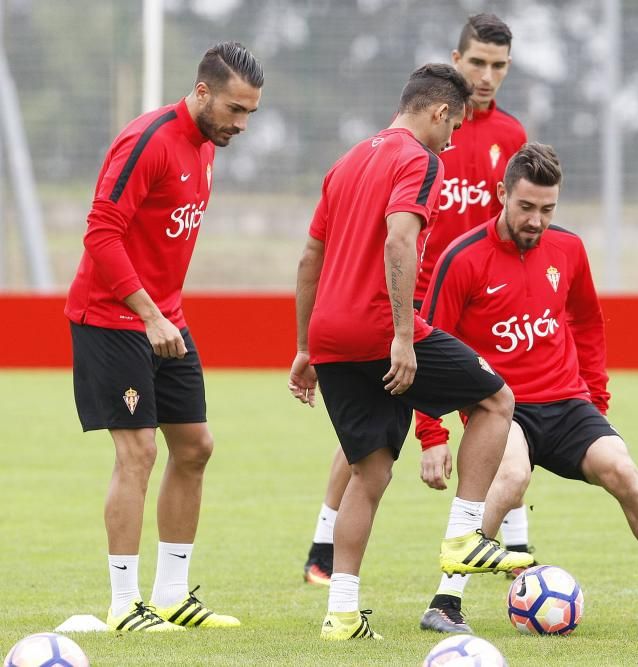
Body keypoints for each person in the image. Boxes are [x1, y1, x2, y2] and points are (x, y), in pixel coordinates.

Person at [414, 143, 638, 634]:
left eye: (547, 209)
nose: (536, 220)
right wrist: (432, 436)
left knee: (626, 473)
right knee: (511, 480)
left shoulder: (568, 249)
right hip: (499, 409)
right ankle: (445, 604)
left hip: (569, 403)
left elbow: (589, 324)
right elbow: (429, 346)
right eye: (526, 207)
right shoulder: (462, 257)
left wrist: (597, 399)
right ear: (502, 193)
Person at [288, 63, 533, 641]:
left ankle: (342, 613)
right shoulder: (421, 160)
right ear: (439, 112)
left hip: (329, 337)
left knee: (368, 474)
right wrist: (403, 335)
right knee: (498, 398)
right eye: (455, 128)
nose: (453, 142)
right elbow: (400, 238)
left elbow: (308, 260)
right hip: (380, 329)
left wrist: (304, 347)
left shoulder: (346, 162)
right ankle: (466, 534)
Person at [65, 42, 262, 632]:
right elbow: (101, 233)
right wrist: (150, 314)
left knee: (196, 446)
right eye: (235, 110)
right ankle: (125, 606)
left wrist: (162, 314)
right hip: (113, 318)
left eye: (251, 113)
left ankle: (173, 594)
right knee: (139, 452)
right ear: (202, 92)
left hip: (164, 318)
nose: (242, 125)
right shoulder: (148, 140)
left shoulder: (207, 146)